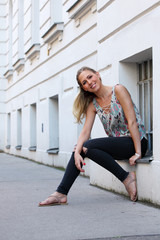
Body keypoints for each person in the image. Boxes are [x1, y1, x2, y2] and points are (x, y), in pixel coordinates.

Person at [39, 66, 148, 206]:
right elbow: (85, 132)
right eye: (84, 82)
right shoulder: (93, 104)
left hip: (136, 141)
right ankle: (61, 193)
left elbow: (132, 121)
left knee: (85, 146)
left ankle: (126, 178)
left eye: (90, 77)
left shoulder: (118, 90)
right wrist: (77, 152)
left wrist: (138, 152)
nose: (89, 82)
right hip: (119, 145)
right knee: (81, 148)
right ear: (84, 88)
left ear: (97, 74)